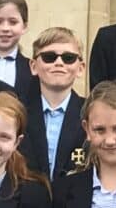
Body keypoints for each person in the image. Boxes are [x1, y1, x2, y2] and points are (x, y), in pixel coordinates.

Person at [17, 25, 90, 179]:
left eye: (68, 58)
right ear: (33, 66)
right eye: (49, 57)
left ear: (80, 68)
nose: (59, 62)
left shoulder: (91, 113)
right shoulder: (16, 111)